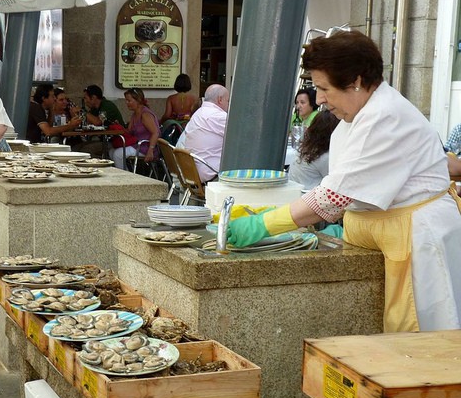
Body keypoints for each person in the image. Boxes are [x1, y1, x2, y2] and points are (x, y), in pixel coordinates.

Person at [228, 30, 461, 333]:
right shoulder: (359, 114)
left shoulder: (384, 116)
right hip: (382, 231)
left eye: (324, 88)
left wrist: (263, 224)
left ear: (356, 81)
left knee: (420, 340)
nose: (320, 99)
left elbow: (333, 196)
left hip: (419, 239)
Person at [180, 84, 229, 182]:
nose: (229, 104)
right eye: (228, 101)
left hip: (192, 172)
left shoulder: (198, 114)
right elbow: (242, 139)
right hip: (210, 174)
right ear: (220, 99)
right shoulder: (219, 116)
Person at [110, 88, 160, 170]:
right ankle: (125, 173)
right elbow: (129, 132)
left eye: (129, 101)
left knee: (117, 154)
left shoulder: (145, 114)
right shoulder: (134, 114)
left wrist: (150, 150)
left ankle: (125, 178)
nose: (127, 103)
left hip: (145, 147)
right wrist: (118, 126)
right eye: (126, 101)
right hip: (137, 145)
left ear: (138, 100)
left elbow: (155, 132)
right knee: (111, 151)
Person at [288, 110, 339, 189]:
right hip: (310, 196)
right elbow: (338, 182)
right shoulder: (324, 157)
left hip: (296, 193)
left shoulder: (306, 149)